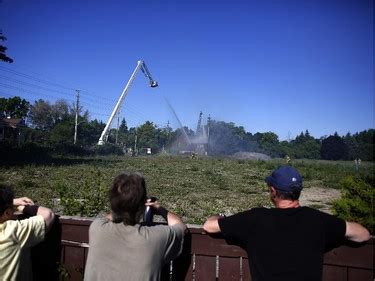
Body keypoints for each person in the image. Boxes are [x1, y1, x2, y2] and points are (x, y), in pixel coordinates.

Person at [203, 166, 371, 281]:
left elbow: (209, 226)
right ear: (298, 192)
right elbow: (363, 235)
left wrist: (221, 215)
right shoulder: (318, 219)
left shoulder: (254, 218)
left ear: (273, 191)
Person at [84, 172, 187, 281]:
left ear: (113, 201)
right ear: (142, 205)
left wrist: (121, 205)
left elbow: (108, 217)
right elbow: (181, 227)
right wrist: (159, 208)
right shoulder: (156, 237)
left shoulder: (97, 228)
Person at [0, 184, 55, 280]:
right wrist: (25, 208)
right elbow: (48, 215)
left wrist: (10, 202)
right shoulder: (11, 231)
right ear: (7, 213)